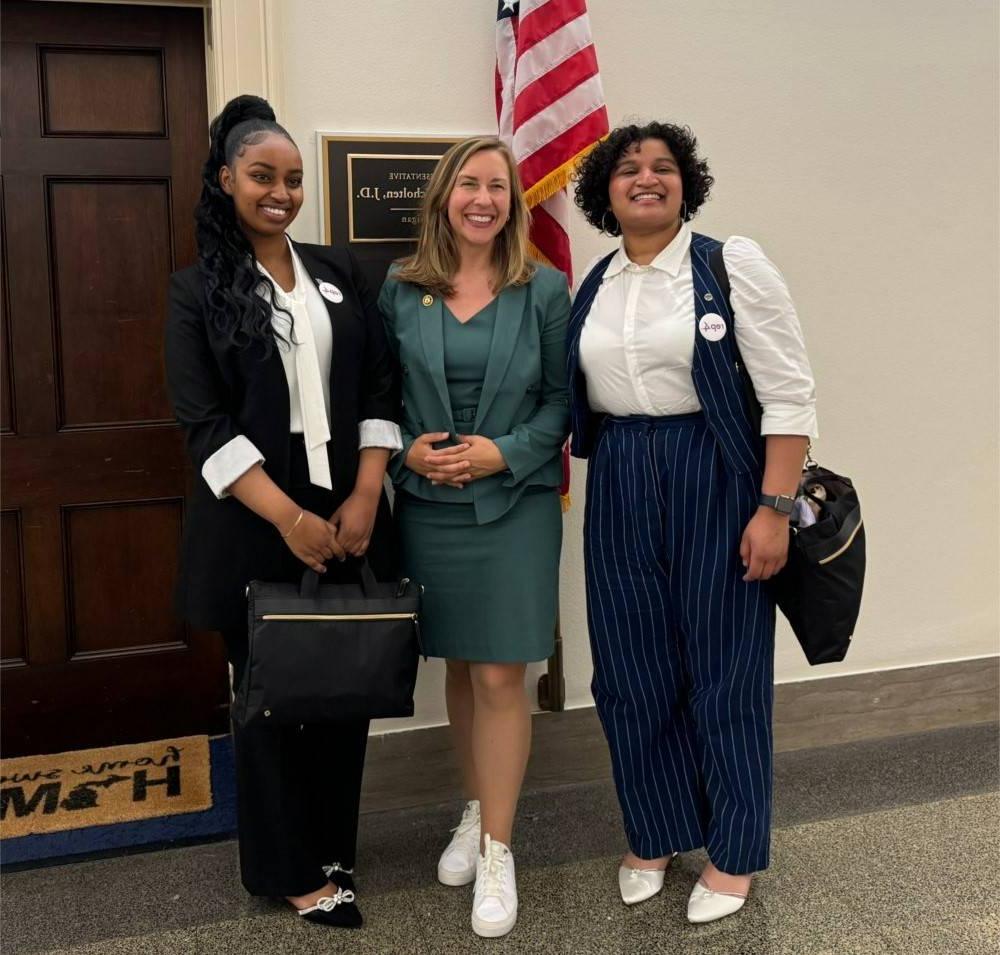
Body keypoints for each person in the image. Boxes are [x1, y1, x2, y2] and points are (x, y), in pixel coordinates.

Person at [568, 122, 817, 924]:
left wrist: (773, 507)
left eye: (664, 168)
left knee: (725, 667)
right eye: (629, 169)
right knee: (630, 671)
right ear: (604, 192)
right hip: (619, 476)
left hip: (714, 471)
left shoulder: (726, 264)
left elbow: (790, 395)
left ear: (686, 184)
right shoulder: (596, 283)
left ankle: (735, 849)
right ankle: (656, 830)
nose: (647, 179)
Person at [164, 95, 402, 929]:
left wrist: (367, 490)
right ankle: (286, 869)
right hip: (254, 522)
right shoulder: (196, 291)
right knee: (269, 697)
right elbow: (204, 425)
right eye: (263, 176)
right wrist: (287, 518)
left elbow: (379, 384)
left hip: (350, 512)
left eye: (294, 179)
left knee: (345, 684)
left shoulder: (340, 273)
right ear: (227, 178)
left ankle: (334, 844)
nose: (282, 192)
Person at [378, 136, 570, 938]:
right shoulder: (399, 286)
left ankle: (499, 848)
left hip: (514, 507)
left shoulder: (545, 288)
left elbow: (563, 401)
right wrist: (403, 450)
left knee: (500, 673)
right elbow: (376, 392)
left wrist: (505, 452)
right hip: (428, 507)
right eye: (469, 183)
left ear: (514, 202)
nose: (483, 197)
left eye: (498, 185)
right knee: (459, 665)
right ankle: (475, 804)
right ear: (444, 196)